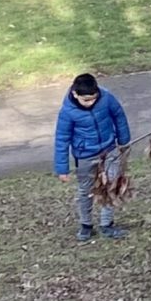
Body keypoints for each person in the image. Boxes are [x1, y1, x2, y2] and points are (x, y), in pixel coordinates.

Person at [52, 72, 133, 242]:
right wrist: (62, 168)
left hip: (109, 149)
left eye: (94, 98)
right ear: (75, 94)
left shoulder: (106, 97)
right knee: (86, 190)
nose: (91, 103)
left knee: (111, 185)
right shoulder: (67, 112)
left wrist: (123, 140)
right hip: (85, 155)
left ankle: (107, 224)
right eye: (86, 100)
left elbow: (119, 115)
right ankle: (86, 225)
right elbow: (62, 139)